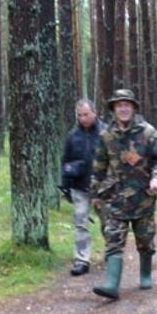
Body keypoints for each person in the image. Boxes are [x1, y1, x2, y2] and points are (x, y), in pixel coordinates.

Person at [90, 89, 157, 300]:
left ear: (134, 108)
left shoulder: (147, 132)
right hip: (115, 199)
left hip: (143, 197)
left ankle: (145, 273)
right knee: (113, 240)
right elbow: (99, 167)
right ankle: (111, 284)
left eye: (127, 105)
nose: (123, 109)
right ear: (114, 109)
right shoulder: (106, 135)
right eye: (119, 105)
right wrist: (95, 193)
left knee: (145, 241)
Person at [60, 98, 107, 276]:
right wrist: (66, 186)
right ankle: (82, 259)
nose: (83, 118)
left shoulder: (106, 133)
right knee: (80, 224)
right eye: (80, 115)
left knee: (107, 223)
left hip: (102, 187)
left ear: (94, 113)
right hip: (79, 186)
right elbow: (65, 161)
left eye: (86, 114)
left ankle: (111, 253)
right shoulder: (72, 136)